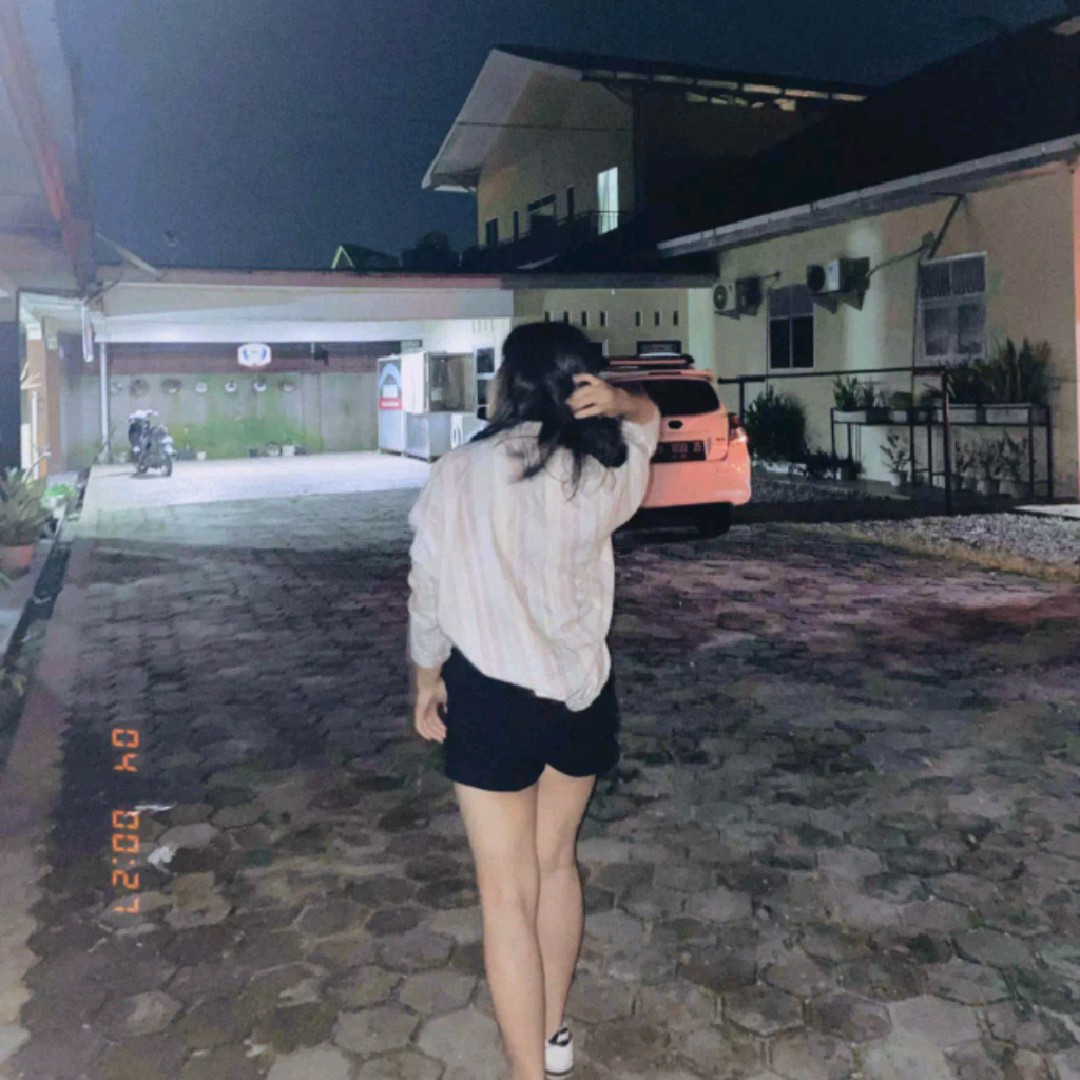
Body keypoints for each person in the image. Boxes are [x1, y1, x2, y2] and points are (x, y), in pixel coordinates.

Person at [407, 321, 660, 1080]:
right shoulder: (599, 475)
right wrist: (623, 402)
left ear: (510, 384)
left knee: (506, 893)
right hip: (581, 696)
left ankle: (528, 1073)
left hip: (491, 696)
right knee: (555, 862)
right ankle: (553, 1035)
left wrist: (426, 676)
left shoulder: (458, 472)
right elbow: (648, 427)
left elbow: (428, 587)